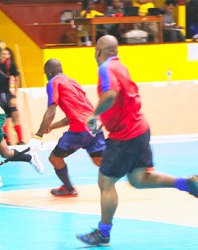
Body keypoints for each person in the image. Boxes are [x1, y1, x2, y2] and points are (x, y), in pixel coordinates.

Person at [77, 35, 198, 246]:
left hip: (125, 135)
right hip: (140, 129)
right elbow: (120, 101)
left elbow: (110, 96)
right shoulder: (121, 66)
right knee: (138, 179)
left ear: (98, 52)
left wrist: (95, 115)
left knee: (105, 182)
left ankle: (103, 233)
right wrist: (105, 119)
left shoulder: (105, 68)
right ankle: (186, 184)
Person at [29, 59, 105, 197]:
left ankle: (69, 189)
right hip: (95, 122)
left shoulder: (53, 82)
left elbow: (51, 109)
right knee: (100, 161)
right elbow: (77, 113)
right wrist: (51, 127)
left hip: (81, 128)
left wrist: (38, 135)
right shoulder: (73, 82)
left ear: (50, 71)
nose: (46, 76)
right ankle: (132, 166)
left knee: (54, 158)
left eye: (46, 73)